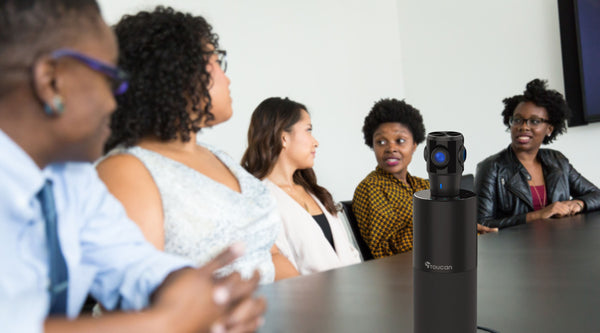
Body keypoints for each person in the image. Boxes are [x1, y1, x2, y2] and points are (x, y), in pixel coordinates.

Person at [0, 1, 265, 331]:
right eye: (110, 78)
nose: (116, 101)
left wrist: (197, 292)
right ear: (51, 82)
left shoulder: (72, 178)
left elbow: (134, 264)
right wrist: (166, 322)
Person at [96, 7, 298, 283]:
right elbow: (138, 304)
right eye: (216, 61)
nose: (227, 78)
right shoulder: (126, 170)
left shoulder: (220, 158)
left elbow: (269, 255)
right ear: (176, 70)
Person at [353, 99, 497, 259]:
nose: (391, 148)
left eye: (400, 141)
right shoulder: (370, 188)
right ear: (373, 146)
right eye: (381, 142)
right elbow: (387, 248)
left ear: (414, 145)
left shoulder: (424, 185)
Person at [241, 97, 362, 274]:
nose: (315, 142)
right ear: (283, 137)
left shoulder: (315, 192)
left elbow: (349, 254)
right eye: (308, 130)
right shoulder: (259, 200)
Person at [474, 79, 600, 228]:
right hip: (516, 249)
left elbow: (596, 195)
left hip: (561, 243)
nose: (524, 127)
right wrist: (536, 216)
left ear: (549, 129)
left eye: (534, 121)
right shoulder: (491, 167)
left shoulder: (557, 160)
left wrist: (580, 203)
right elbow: (481, 224)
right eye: (518, 120)